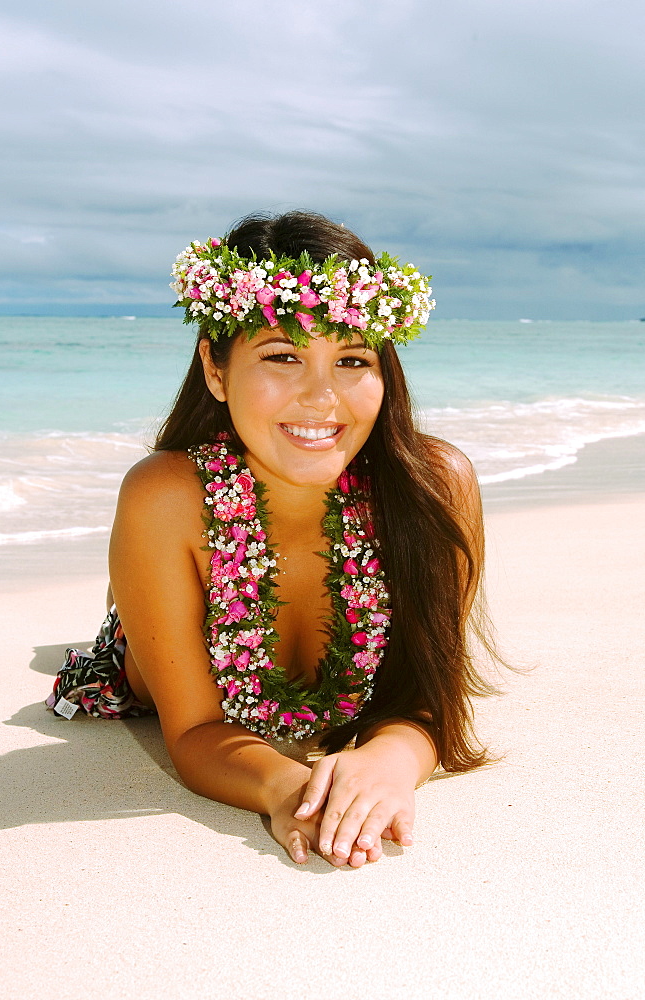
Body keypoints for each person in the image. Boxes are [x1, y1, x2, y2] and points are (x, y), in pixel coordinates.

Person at [47, 210, 497, 868]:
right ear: (216, 368)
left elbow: (428, 697)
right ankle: (128, 593)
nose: (321, 397)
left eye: (351, 359)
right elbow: (196, 730)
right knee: (132, 632)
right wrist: (290, 789)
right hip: (145, 642)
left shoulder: (435, 487)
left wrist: (387, 763)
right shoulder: (164, 497)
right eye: (282, 356)